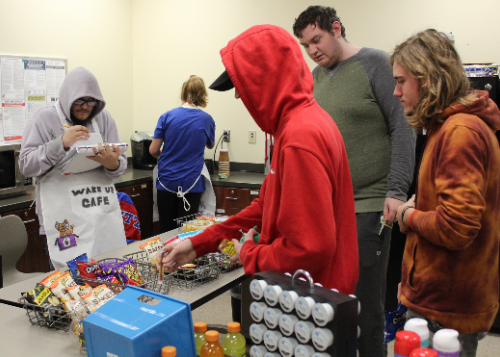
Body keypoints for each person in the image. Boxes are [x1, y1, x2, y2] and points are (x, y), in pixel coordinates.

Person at [157, 24, 359, 293]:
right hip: (310, 291)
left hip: (312, 299)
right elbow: (264, 208)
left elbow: (311, 247)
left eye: (243, 85)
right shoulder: (300, 123)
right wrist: (198, 244)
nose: (240, 95)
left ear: (266, 78)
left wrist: (250, 254)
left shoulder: (300, 137)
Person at [292, 6, 416, 356]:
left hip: (370, 205)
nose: (313, 50)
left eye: (317, 39)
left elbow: (403, 126)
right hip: (327, 209)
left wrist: (396, 189)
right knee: (330, 301)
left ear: (336, 28)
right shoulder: (314, 78)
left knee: (365, 304)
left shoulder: (376, 63)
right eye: (306, 45)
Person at [393, 29, 500, 357]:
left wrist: (406, 215)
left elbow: (457, 227)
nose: (396, 92)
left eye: (401, 81)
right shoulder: (448, 127)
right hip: (441, 297)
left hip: (446, 307)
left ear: (426, 80)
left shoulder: (459, 133)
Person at [19, 66, 128, 270]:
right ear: (67, 96)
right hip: (63, 223)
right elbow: (26, 165)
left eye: (91, 101)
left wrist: (111, 163)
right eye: (79, 101)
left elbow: (120, 165)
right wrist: (61, 143)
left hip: (99, 217)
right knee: (70, 284)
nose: (85, 107)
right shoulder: (43, 120)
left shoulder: (104, 119)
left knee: (109, 278)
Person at [149, 76, 216, 233]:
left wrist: (165, 154)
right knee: (187, 231)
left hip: (166, 182)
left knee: (166, 229)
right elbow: (210, 144)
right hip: (192, 183)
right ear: (202, 96)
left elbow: (153, 150)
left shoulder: (166, 117)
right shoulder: (207, 120)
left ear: (182, 95)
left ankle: (165, 257)